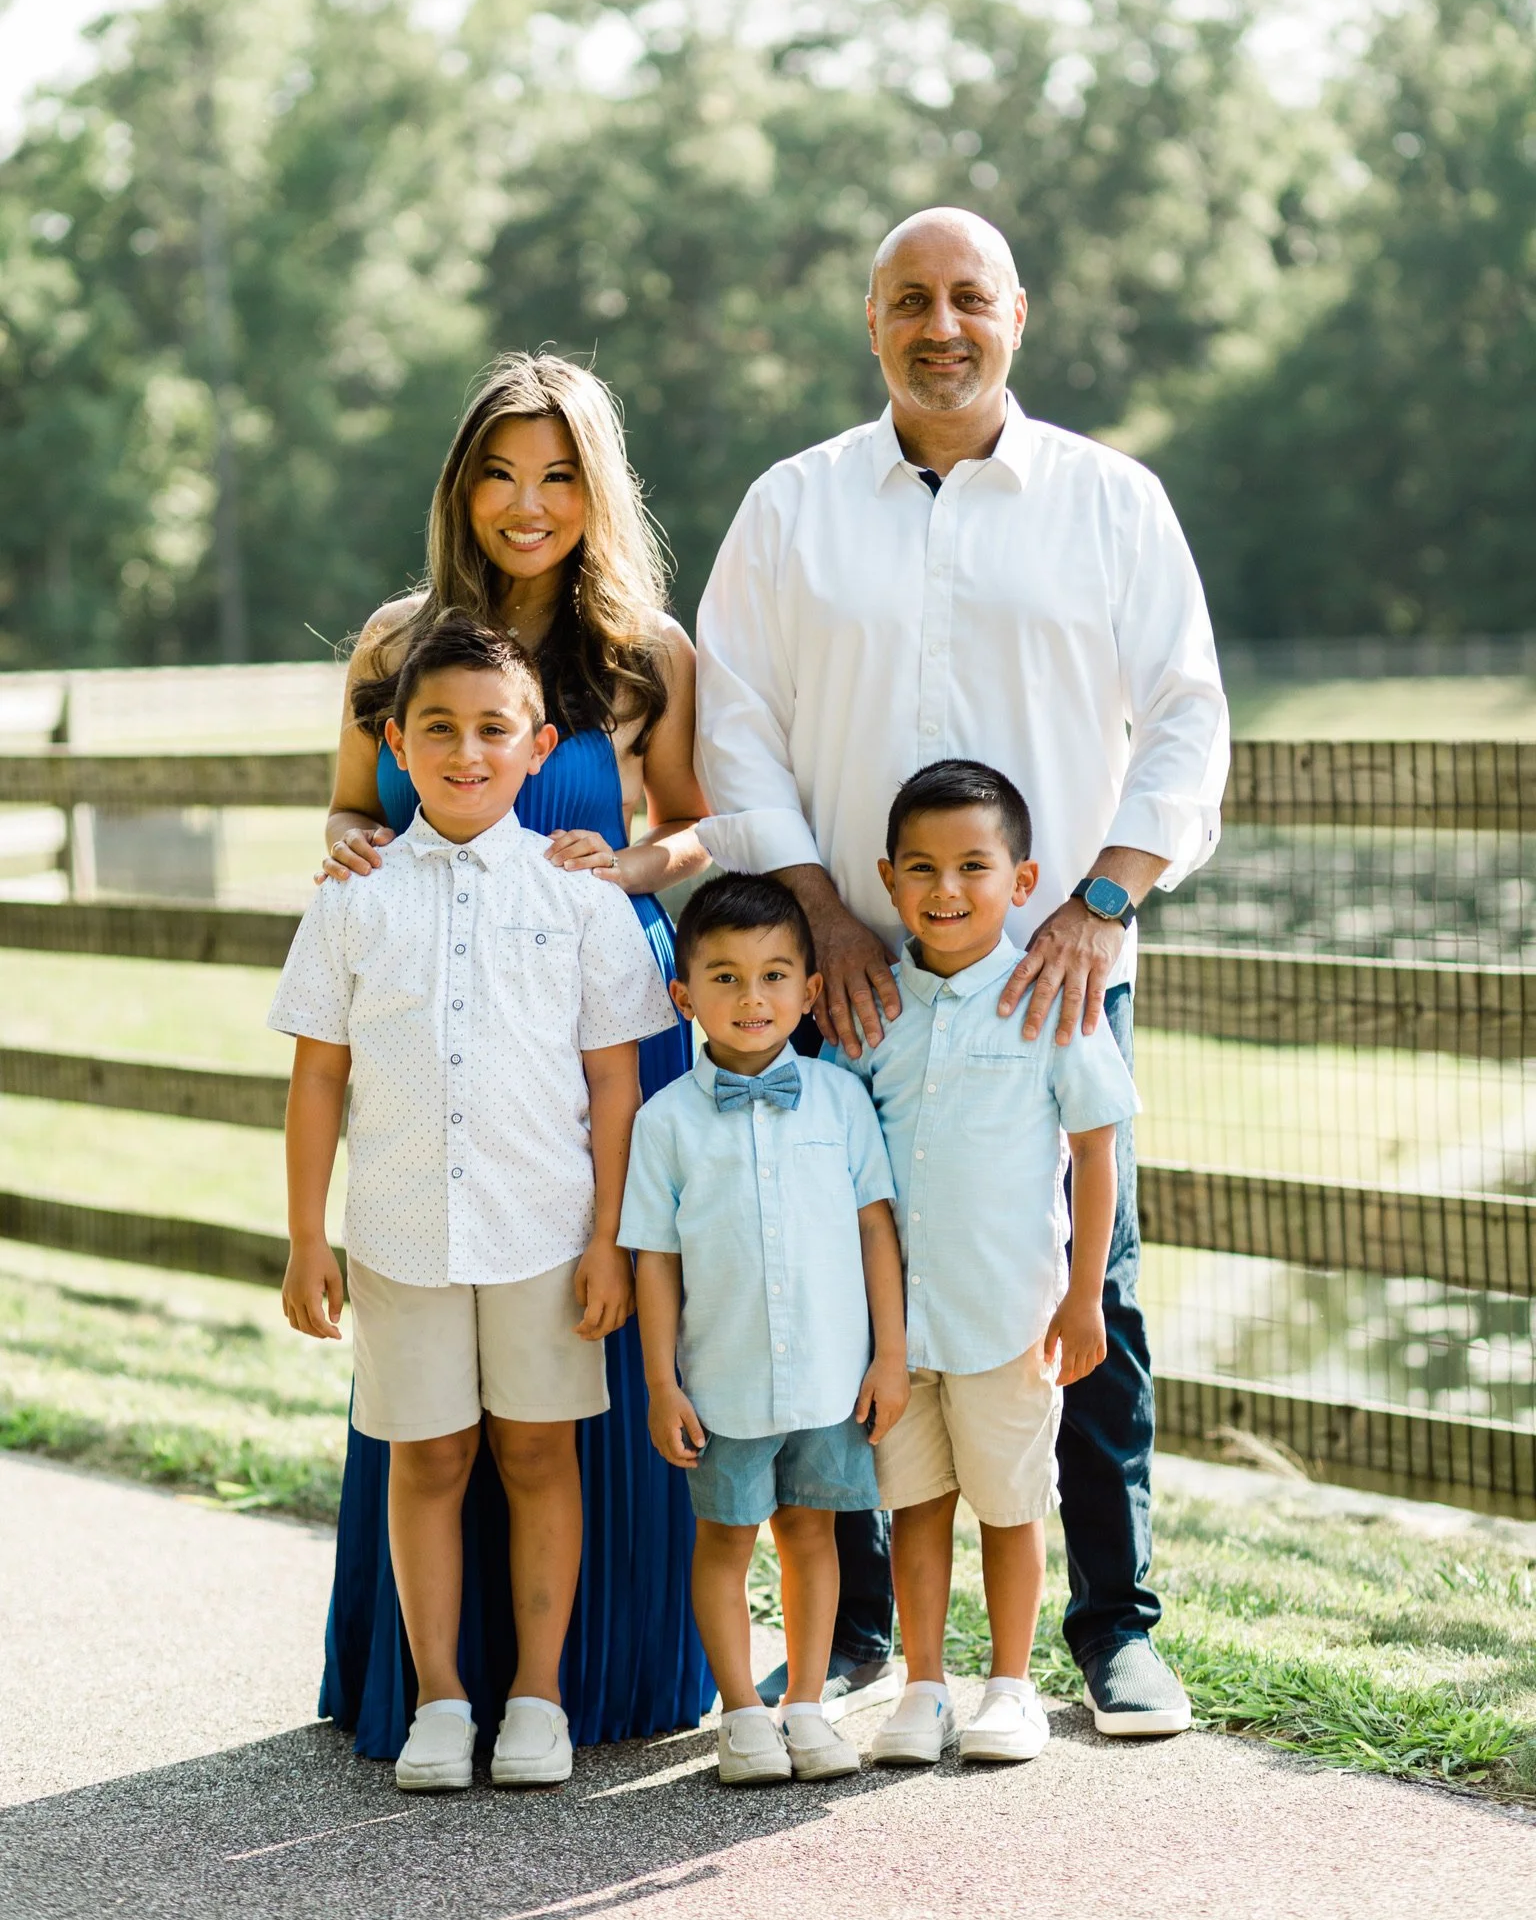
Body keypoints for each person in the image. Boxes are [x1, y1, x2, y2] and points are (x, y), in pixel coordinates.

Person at [694, 207, 1229, 1734]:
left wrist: (1103, 900)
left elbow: (1187, 714)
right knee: (851, 1296)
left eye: (969, 298)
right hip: (849, 983)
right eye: (910, 300)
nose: (942, 325)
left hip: (1053, 974)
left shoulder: (1110, 503)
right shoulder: (793, 509)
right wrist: (819, 906)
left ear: (1017, 315)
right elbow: (735, 720)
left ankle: (1114, 1632)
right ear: (871, 324)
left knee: (1084, 1300)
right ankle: (868, 1638)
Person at [315, 352, 713, 1756]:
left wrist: (639, 861)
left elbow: (703, 827)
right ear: (460, 485)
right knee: (435, 1409)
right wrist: (349, 842)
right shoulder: (390, 644)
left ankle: (580, 1687)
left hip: (605, 1045)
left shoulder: (646, 653)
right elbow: (350, 824)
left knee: (582, 1382)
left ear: (597, 490)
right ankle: (429, 1686)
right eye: (499, 470)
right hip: (453, 1069)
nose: (527, 503)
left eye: (557, 474)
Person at [271, 617, 679, 1789]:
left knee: (540, 1456)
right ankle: (442, 1697)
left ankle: (539, 1695)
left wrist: (612, 1241)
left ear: (539, 746)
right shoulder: (354, 899)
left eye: (492, 730)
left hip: (547, 1237)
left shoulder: (582, 899)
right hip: (401, 1237)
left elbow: (616, 1085)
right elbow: (318, 1076)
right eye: (437, 729)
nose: (465, 752)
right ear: (395, 742)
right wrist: (308, 1238)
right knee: (431, 1460)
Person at [828, 762, 1138, 1765]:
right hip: (895, 1331)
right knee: (915, 1503)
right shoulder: (873, 1011)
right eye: (921, 868)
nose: (946, 889)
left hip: (1011, 1316)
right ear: (886, 878)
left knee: (1010, 1504)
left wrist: (1085, 1297)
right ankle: (923, 1688)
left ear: (1022, 877)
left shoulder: (1050, 1002)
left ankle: (1010, 1686)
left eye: (973, 866)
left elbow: (1097, 1151)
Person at [618, 875, 909, 1785]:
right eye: (728, 978)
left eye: (777, 976)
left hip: (830, 1376)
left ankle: (808, 1704)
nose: (754, 999)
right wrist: (663, 1382)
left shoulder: (841, 1101)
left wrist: (890, 1356)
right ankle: (742, 1714)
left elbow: (875, 1230)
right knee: (726, 1539)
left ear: (811, 990)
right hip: (725, 1380)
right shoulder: (663, 1123)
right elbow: (654, 1260)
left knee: (813, 1533)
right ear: (684, 996)